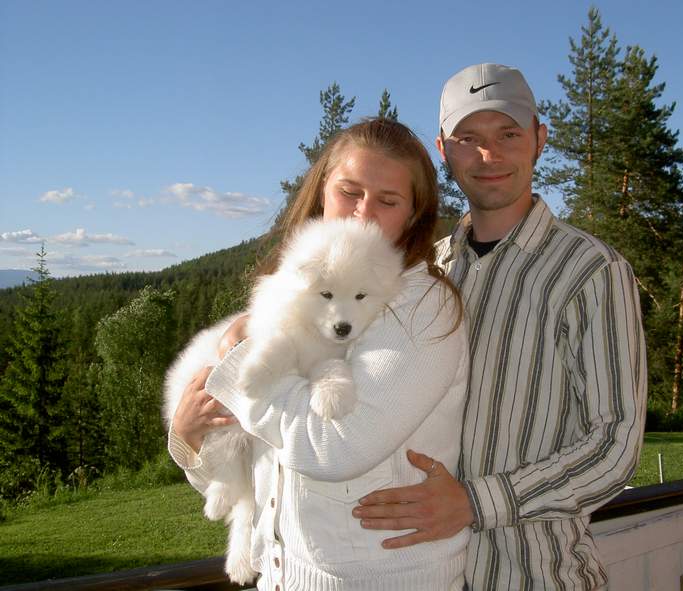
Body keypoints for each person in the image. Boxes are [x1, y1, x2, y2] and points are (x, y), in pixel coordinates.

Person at [352, 63, 648, 590]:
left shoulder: (589, 271)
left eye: (508, 134)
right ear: (443, 150)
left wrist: (473, 502)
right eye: (468, 138)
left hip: (534, 577)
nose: (488, 155)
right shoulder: (424, 274)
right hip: (418, 576)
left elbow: (614, 446)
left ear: (539, 139)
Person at [168, 118, 471, 591]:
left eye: (388, 201)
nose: (362, 215)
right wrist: (191, 440)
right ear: (322, 193)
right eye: (349, 192)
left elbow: (332, 448)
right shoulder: (296, 285)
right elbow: (262, 464)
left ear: (413, 215)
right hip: (284, 575)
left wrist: (239, 357)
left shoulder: (418, 306)